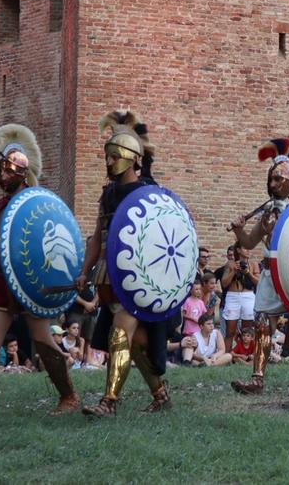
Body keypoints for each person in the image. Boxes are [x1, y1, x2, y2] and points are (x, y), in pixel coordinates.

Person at [0, 125, 78, 420]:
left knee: (43, 340)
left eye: (9, 171)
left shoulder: (36, 202)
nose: (3, 176)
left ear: (21, 173)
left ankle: (69, 395)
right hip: (3, 279)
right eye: (1, 170)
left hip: (31, 279)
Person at [75, 110, 174, 415]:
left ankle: (109, 402)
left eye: (114, 155)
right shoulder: (107, 195)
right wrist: (84, 271)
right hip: (107, 278)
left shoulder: (148, 195)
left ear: (133, 158)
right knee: (135, 342)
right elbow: (97, 238)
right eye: (106, 155)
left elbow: (164, 239)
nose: (108, 162)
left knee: (120, 333)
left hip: (137, 279)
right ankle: (160, 394)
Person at [228, 138, 289, 395]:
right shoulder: (267, 212)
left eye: (278, 179)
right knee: (261, 322)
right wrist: (239, 229)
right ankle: (257, 378)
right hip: (270, 274)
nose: (273, 184)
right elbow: (249, 242)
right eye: (270, 179)